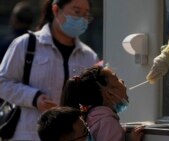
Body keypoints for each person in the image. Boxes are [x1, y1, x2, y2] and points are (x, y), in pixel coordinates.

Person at [0, 0, 99, 140]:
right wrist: (34, 98)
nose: (82, 19)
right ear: (56, 10)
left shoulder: (89, 56)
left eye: (86, 15)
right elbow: (2, 82)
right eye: (77, 12)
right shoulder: (26, 44)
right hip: (28, 134)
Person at [61, 65, 144, 141]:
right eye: (116, 79)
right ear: (110, 94)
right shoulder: (108, 123)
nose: (122, 81)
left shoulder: (93, 118)